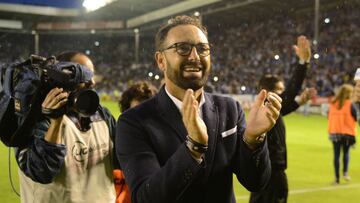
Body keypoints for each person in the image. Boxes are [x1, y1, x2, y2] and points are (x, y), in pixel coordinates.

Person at [115, 15, 282, 203]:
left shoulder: (229, 109)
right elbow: (146, 198)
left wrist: (253, 140)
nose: (195, 57)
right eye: (182, 48)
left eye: (203, 49)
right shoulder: (133, 122)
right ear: (161, 60)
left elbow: (256, 182)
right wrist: (193, 148)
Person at [15, 51, 117, 203]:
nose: (92, 82)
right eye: (84, 74)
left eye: (92, 74)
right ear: (61, 77)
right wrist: (55, 122)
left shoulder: (102, 114)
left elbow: (121, 158)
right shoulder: (34, 118)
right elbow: (41, 172)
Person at [250, 35, 316, 203]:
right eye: (280, 90)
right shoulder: (265, 109)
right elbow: (288, 96)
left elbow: (284, 108)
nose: (283, 92)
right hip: (271, 175)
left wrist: (300, 100)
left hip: (267, 174)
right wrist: (303, 63)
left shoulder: (267, 111)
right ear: (269, 92)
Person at [114, 81, 158, 203]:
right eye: (134, 115)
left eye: (147, 114)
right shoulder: (112, 156)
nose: (141, 123)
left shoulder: (172, 154)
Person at [328, 84, 358, 184]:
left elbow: (329, 117)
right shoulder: (350, 104)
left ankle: (336, 179)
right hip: (347, 134)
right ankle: (345, 173)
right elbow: (356, 117)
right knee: (346, 153)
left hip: (334, 132)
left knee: (336, 155)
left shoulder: (332, 103)